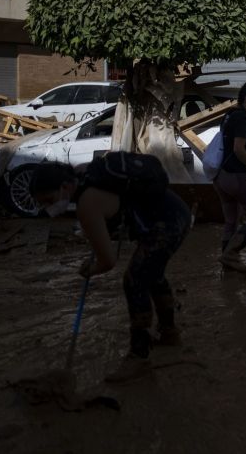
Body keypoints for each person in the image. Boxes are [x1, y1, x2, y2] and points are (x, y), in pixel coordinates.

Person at [30, 153, 190, 383]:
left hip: (167, 223)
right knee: (150, 274)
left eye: (48, 200)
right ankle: (169, 333)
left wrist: (90, 269)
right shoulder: (82, 173)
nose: (47, 207)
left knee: (135, 280)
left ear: (65, 187)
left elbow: (108, 261)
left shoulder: (87, 204)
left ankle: (139, 356)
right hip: (174, 212)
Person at [214, 82, 246, 265]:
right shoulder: (243, 118)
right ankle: (231, 253)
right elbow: (238, 149)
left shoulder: (229, 115)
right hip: (236, 175)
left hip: (221, 176)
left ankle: (226, 260)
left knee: (231, 221)